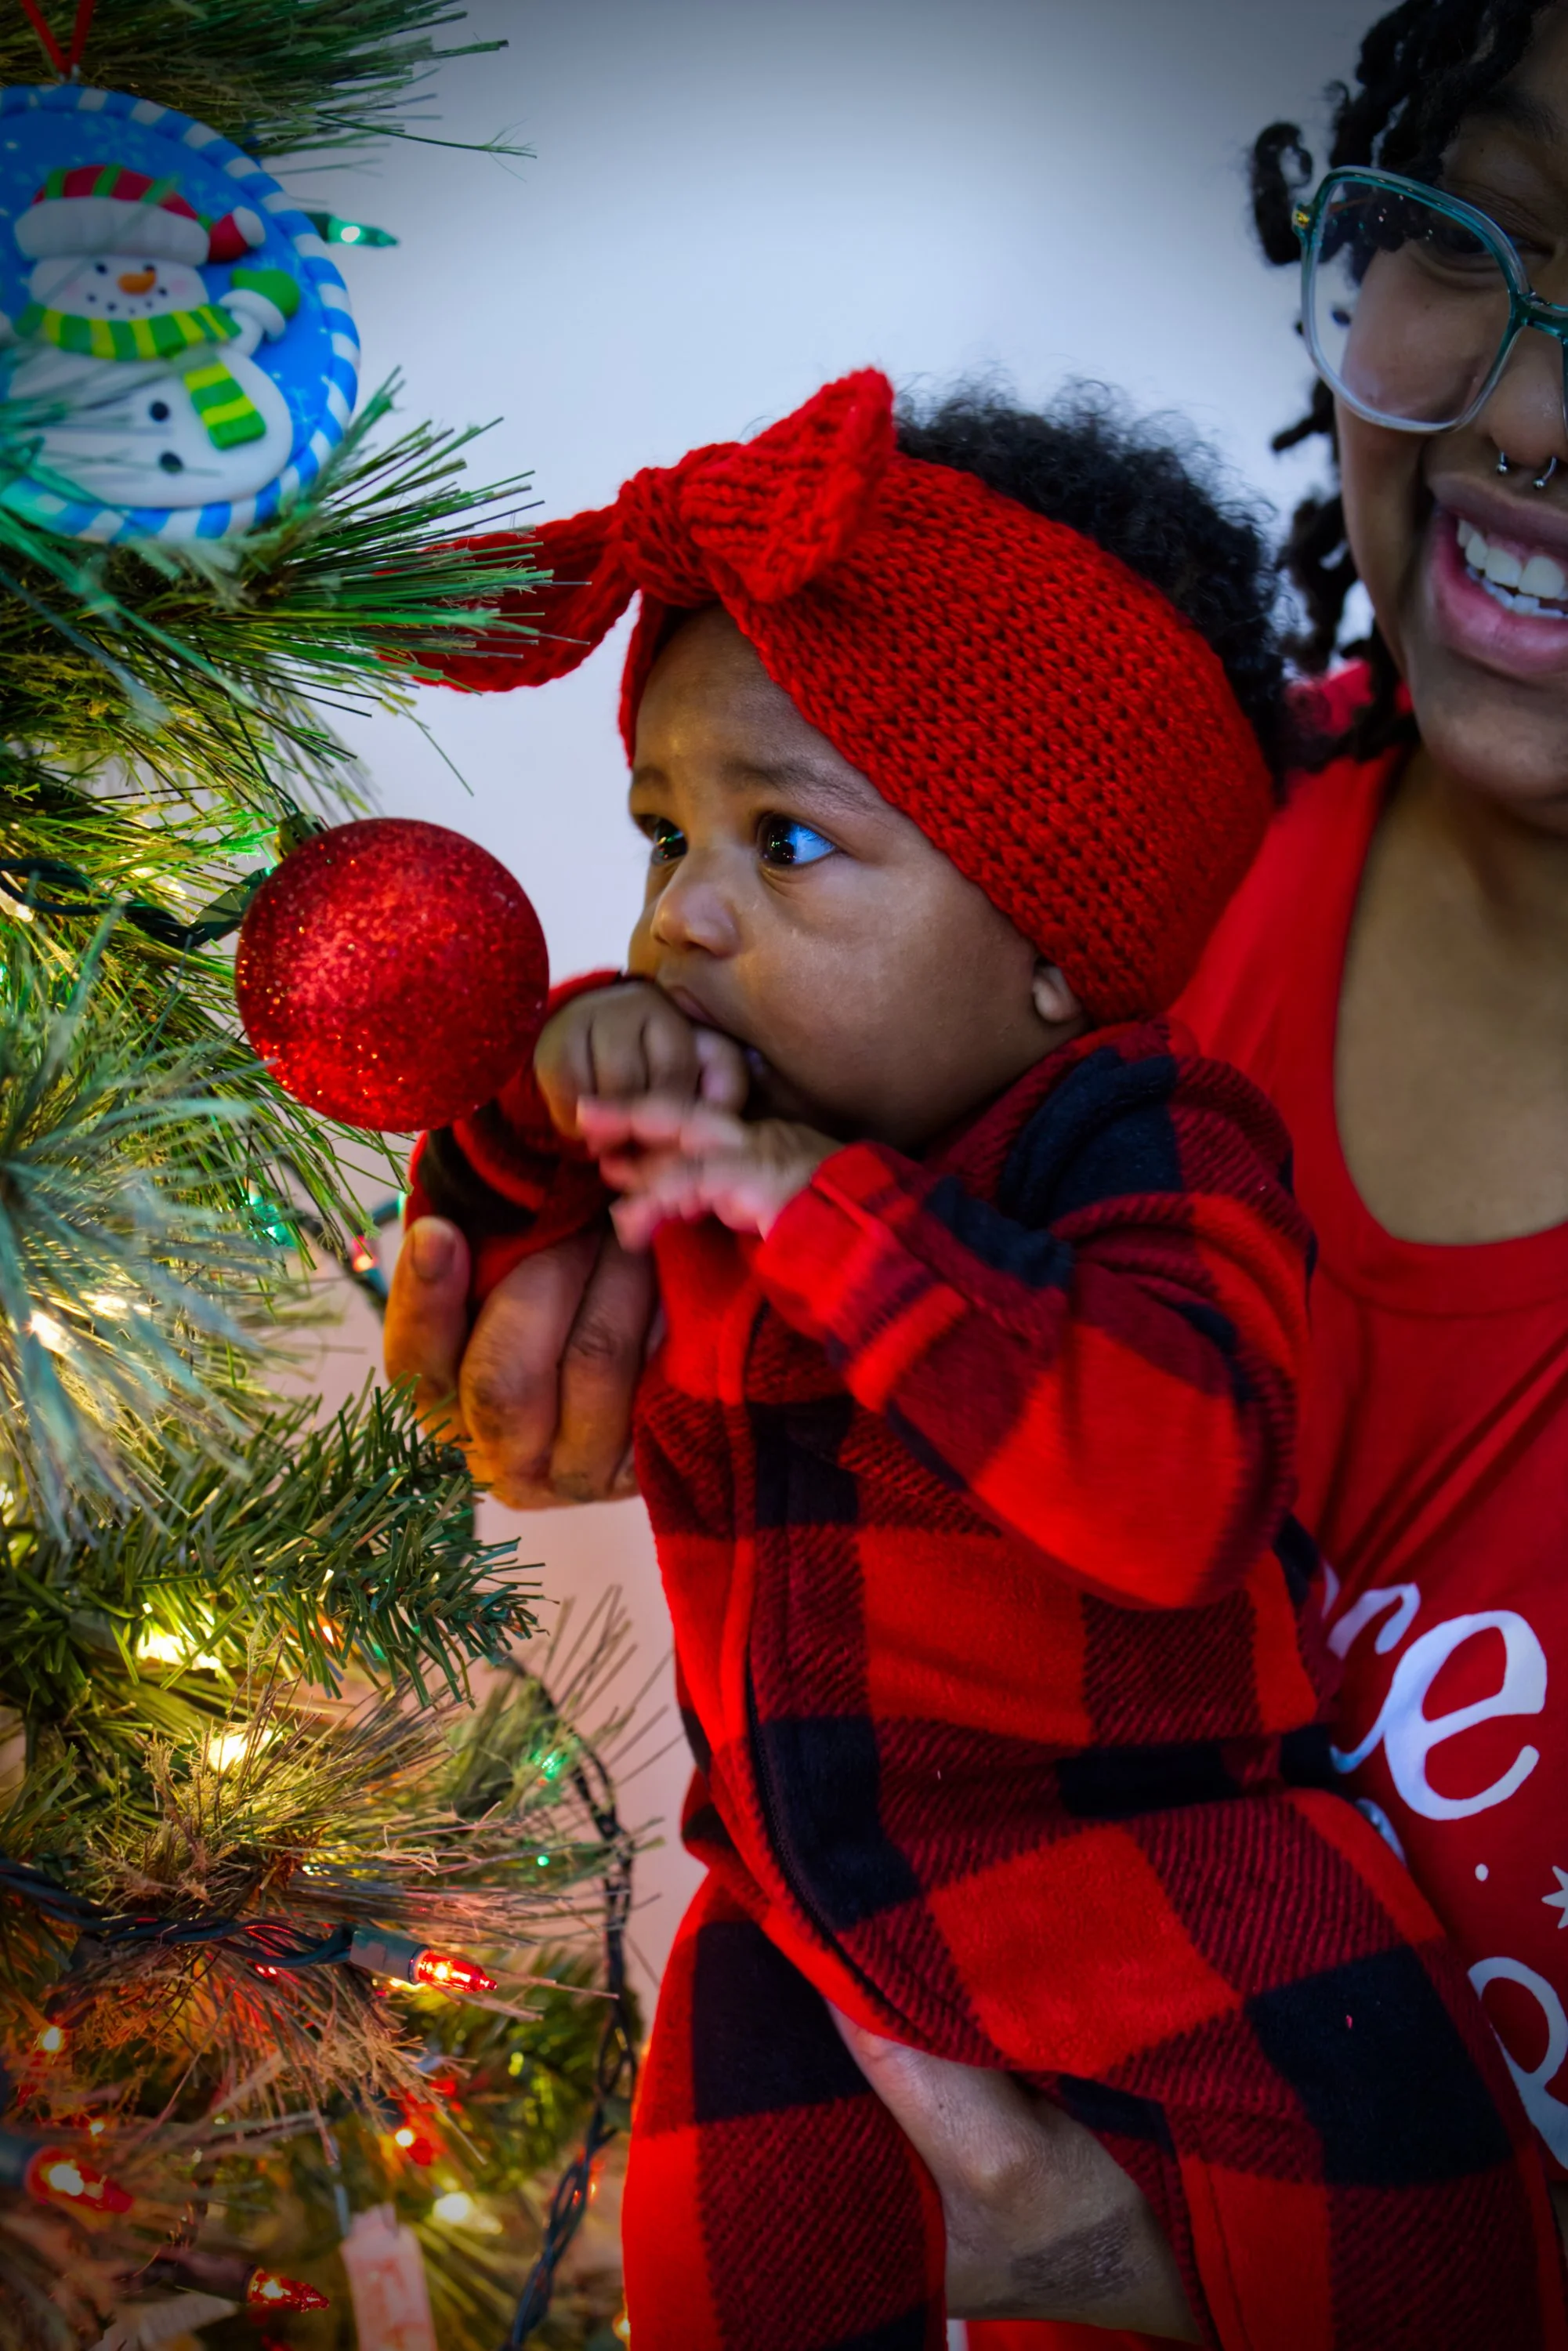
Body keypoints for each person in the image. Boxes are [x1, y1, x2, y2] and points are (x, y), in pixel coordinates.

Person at [389, 366, 1559, 2349]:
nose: (681, 916)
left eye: (789, 844)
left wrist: (808, 1205)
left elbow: (1176, 1490)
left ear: (1049, 937)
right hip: (799, 1928)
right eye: (663, 829)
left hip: (1170, 1902)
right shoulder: (716, 1112)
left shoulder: (1144, 1135)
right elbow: (494, 1258)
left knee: (1423, 2259)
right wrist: (529, 1113)